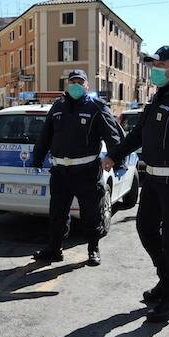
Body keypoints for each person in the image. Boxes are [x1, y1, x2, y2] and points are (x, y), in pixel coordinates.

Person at [104, 46, 169, 323]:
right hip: (152, 180)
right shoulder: (158, 97)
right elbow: (139, 134)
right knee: (146, 229)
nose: (155, 69)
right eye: (154, 64)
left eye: (161, 64)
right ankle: (167, 280)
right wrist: (114, 156)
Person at [31, 69, 124, 266]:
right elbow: (45, 136)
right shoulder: (57, 107)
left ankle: (93, 249)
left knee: (91, 213)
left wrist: (117, 159)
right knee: (57, 213)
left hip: (87, 171)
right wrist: (37, 159)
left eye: (80, 82)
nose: (76, 85)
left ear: (87, 86)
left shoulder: (96, 107)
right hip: (60, 172)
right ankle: (54, 250)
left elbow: (113, 136)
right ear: (67, 84)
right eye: (72, 81)